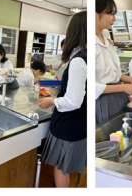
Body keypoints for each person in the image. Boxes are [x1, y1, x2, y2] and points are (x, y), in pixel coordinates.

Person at [40, 11, 87, 187]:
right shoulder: (87, 56)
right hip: (81, 123)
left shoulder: (78, 60)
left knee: (61, 167)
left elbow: (73, 101)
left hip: (68, 124)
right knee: (69, 166)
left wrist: (51, 101)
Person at [95, 0, 132, 125]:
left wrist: (129, 79)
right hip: (104, 100)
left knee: (123, 131)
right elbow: (92, 86)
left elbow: (110, 73)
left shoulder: (106, 37)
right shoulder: (88, 43)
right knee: (110, 132)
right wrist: (123, 87)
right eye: (110, 13)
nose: (114, 19)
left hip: (118, 95)